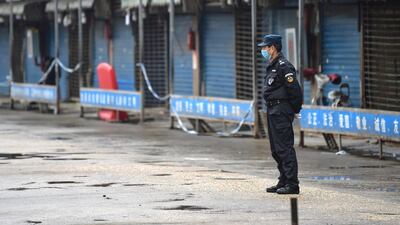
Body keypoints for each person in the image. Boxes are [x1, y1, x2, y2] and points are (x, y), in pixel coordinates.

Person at [258, 34, 303, 195]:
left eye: (265, 47)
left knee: (284, 148)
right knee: (276, 149)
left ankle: (292, 184)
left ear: (273, 48)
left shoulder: (284, 66)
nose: (263, 50)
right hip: (272, 110)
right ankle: (283, 180)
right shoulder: (272, 65)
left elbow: (295, 90)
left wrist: (295, 110)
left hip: (281, 110)